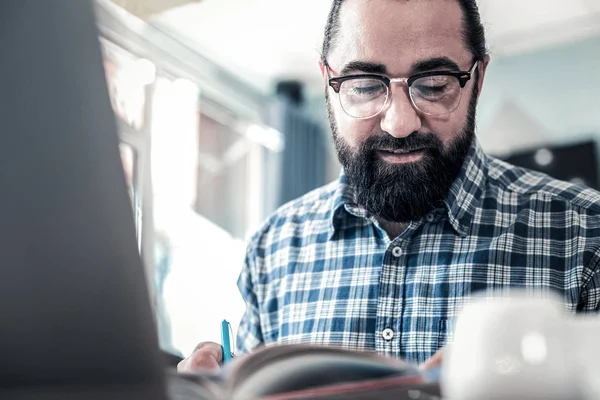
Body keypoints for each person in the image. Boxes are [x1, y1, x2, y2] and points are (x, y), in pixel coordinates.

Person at [178, 0, 600, 373]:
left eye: (434, 84)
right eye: (364, 85)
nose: (399, 123)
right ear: (328, 80)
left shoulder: (587, 235)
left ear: (478, 78)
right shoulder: (272, 250)